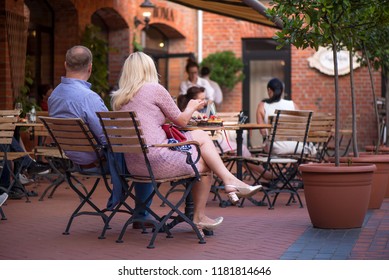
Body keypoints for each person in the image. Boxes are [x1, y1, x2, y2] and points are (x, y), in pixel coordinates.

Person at [111, 52, 262, 232]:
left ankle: (225, 187)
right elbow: (181, 121)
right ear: (149, 68)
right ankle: (204, 210)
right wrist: (192, 106)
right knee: (203, 150)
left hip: (134, 165)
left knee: (202, 152)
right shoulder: (154, 89)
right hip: (157, 160)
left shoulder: (119, 98)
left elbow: (148, 122)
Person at [48, 45, 154, 228]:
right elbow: (109, 138)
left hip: (72, 159)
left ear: (65, 64)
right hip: (96, 161)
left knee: (139, 153)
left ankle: (141, 214)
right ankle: (141, 215)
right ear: (90, 67)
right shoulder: (89, 98)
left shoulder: (54, 96)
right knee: (146, 157)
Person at [178, 86, 273, 180]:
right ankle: (264, 173)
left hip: (205, 144)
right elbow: (210, 125)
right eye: (202, 99)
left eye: (205, 98)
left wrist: (209, 107)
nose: (205, 101)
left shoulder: (189, 112)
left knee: (239, 152)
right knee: (241, 149)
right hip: (209, 146)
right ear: (193, 101)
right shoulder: (195, 114)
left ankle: (257, 174)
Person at [256, 77, 301, 155]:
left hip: (276, 148)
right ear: (282, 90)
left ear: (269, 90)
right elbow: (300, 127)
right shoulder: (293, 105)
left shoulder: (262, 106)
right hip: (298, 147)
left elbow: (262, 132)